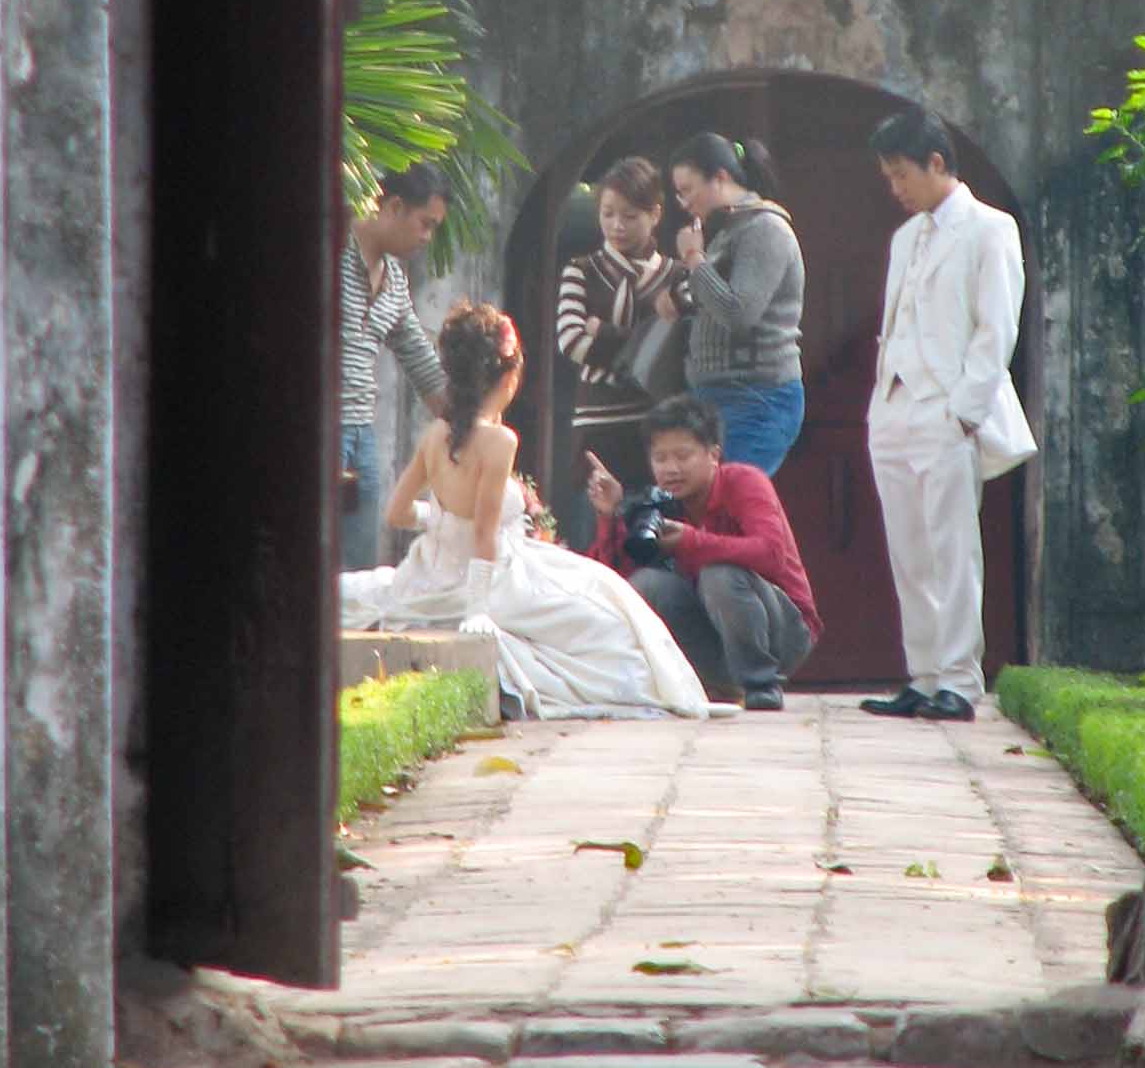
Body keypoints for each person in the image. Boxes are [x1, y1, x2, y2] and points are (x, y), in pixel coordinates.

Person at [340, 301, 711, 722]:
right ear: (508, 377)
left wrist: (442, 523)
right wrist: (477, 608)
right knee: (609, 623)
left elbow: (398, 513)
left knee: (605, 595)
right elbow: (483, 533)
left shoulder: (434, 434)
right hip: (494, 576)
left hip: (431, 572)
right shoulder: (499, 440)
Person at [860, 104, 1037, 723]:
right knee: (908, 550)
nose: (895, 189)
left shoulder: (991, 229)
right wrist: (881, 406)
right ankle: (924, 673)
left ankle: (959, 679)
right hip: (893, 409)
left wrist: (965, 411)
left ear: (937, 163)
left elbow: (997, 328)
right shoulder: (904, 237)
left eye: (901, 174)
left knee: (951, 547)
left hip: (947, 409)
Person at [586, 394, 820, 711]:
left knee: (718, 573)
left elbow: (771, 553)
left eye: (683, 456)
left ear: (714, 454)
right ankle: (706, 682)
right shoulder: (660, 502)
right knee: (647, 583)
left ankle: (761, 684)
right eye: (661, 458)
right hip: (717, 638)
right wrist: (611, 514)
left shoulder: (744, 481)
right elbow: (618, 582)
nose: (671, 469)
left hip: (784, 633)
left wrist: (691, 541)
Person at [658, 131, 806, 474]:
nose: (684, 202)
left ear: (721, 178)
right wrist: (680, 296)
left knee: (732, 504)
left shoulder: (766, 228)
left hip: (757, 397)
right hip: (713, 396)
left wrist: (694, 258)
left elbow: (737, 312)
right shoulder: (727, 229)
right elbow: (712, 297)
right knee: (714, 509)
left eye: (688, 190)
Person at [555, 155, 683, 546]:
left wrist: (604, 332)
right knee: (591, 547)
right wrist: (644, 338)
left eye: (630, 216)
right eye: (608, 214)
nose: (616, 225)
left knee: (650, 546)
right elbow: (571, 341)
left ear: (655, 214)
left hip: (654, 433)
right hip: (596, 433)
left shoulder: (677, 278)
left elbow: (676, 353)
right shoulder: (581, 270)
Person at [340, 161, 452, 572]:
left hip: (359, 435)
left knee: (359, 567)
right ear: (394, 206)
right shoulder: (329, 252)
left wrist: (473, 426)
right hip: (312, 429)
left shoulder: (395, 281)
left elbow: (422, 363)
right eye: (425, 223)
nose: (427, 237)